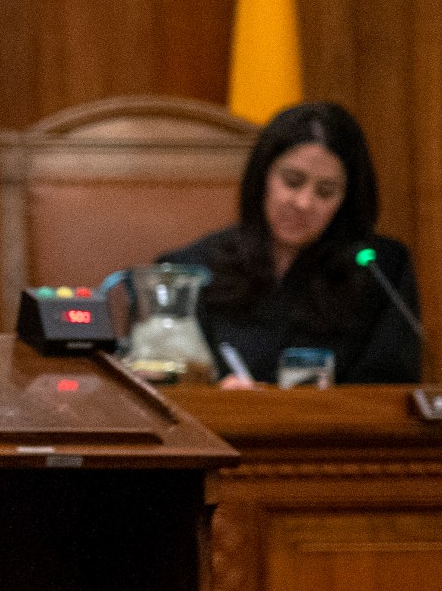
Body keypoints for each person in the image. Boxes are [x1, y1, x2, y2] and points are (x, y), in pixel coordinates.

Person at [158, 101, 421, 386]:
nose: (304, 203)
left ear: (346, 199)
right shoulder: (189, 270)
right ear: (263, 176)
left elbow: (390, 393)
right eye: (292, 181)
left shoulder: (381, 270)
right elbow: (163, 388)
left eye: (326, 191)